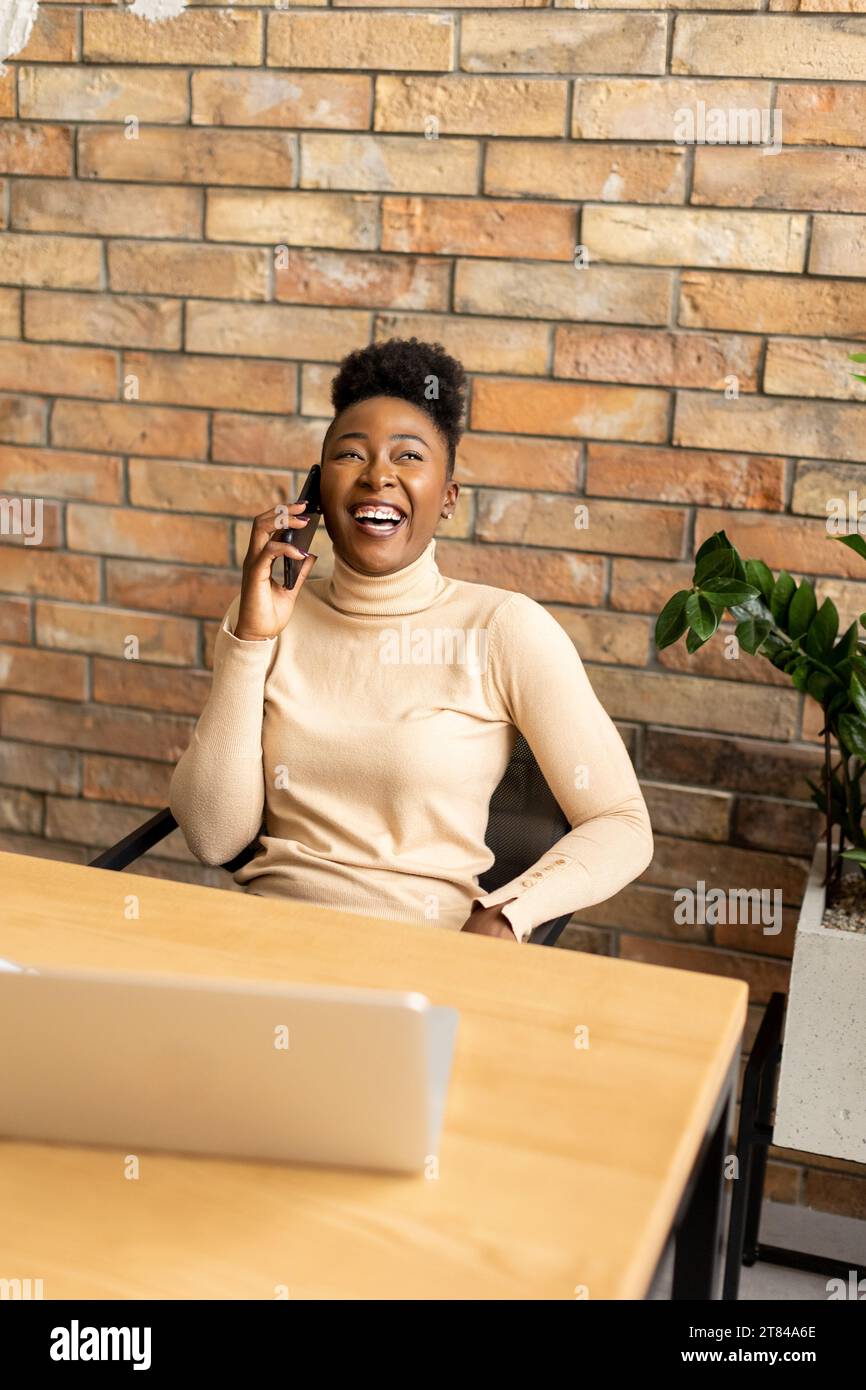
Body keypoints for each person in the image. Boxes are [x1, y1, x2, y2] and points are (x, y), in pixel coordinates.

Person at [169, 337, 653, 943]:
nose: (378, 476)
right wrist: (250, 638)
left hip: (419, 960)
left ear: (447, 498)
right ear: (317, 492)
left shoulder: (503, 628)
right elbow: (214, 838)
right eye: (351, 455)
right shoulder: (270, 618)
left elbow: (621, 821)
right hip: (265, 946)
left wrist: (510, 912)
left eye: (408, 457)